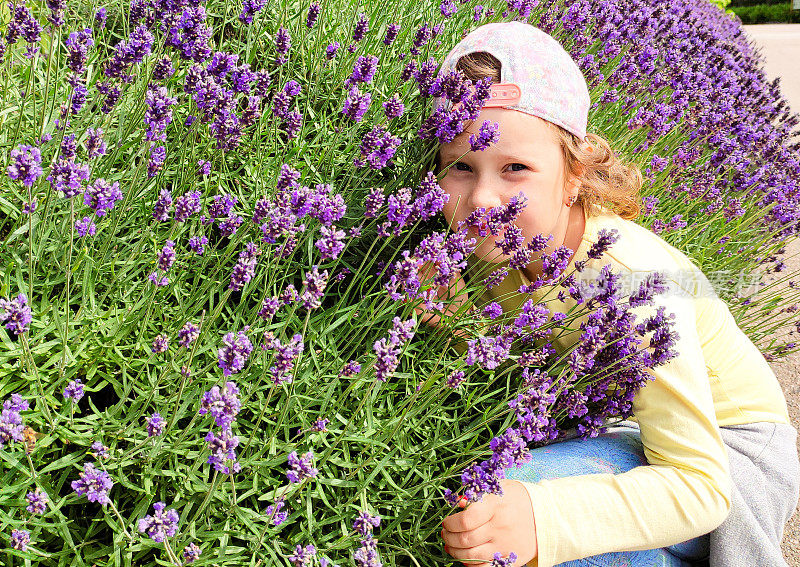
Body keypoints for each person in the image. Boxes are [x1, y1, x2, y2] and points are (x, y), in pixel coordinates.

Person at [414, 21, 799, 567]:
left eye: (515, 169)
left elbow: (700, 485)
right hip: (619, 428)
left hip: (728, 456)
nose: (482, 198)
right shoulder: (488, 251)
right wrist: (448, 323)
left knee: (490, 517)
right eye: (460, 166)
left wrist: (542, 518)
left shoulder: (631, 281)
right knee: (471, 510)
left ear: (573, 176)